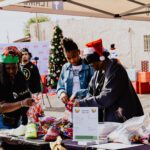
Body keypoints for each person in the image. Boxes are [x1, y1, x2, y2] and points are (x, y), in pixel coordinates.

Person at [73, 39, 144, 122]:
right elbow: (91, 91)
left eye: (92, 64)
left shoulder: (116, 70)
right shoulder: (98, 72)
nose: (91, 66)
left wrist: (82, 103)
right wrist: (80, 98)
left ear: (100, 60)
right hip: (113, 119)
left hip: (125, 119)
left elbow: (106, 98)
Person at [0, 46, 34, 129]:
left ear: (18, 66)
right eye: (8, 68)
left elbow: (26, 95)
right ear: (3, 68)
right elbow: (1, 107)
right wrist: (22, 103)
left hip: (19, 122)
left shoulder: (20, 77)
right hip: (3, 124)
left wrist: (32, 103)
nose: (11, 71)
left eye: (14, 67)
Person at [57, 38, 94, 105]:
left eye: (74, 57)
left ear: (79, 52)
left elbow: (94, 88)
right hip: (69, 105)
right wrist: (62, 93)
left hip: (86, 105)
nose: (72, 60)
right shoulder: (65, 67)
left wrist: (78, 94)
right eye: (68, 58)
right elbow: (60, 86)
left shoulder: (89, 67)